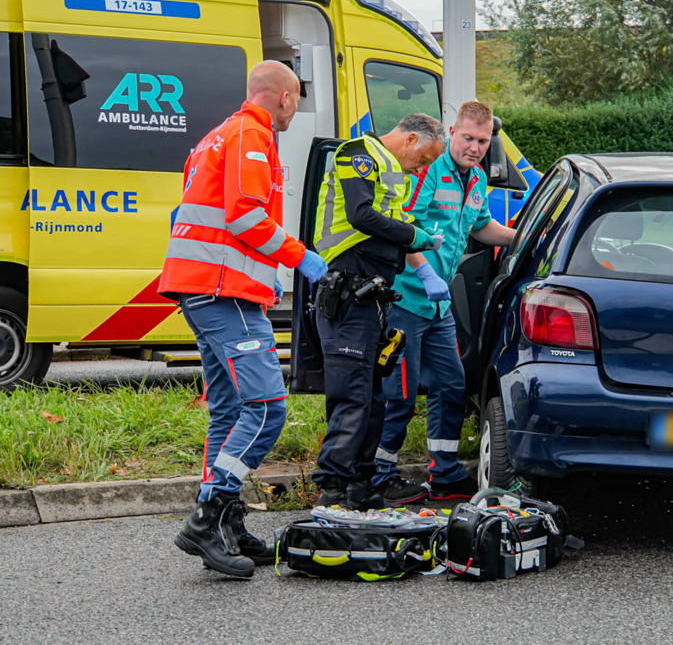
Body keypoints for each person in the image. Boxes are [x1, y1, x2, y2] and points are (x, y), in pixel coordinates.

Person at [159, 61, 328, 577]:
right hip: (222, 289)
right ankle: (208, 519)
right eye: (296, 100)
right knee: (267, 407)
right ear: (283, 97)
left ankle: (226, 525)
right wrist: (301, 258)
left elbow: (200, 214)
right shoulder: (252, 135)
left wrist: (265, 275)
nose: (294, 110)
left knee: (230, 412)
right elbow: (246, 217)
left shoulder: (217, 135)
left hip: (209, 287)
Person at [371, 101, 517, 505]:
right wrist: (424, 273)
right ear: (452, 133)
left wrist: (525, 238)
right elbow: (402, 226)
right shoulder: (429, 169)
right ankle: (380, 475)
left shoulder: (477, 179)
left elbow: (481, 227)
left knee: (452, 385)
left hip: (438, 307)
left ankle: (445, 473)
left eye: (483, 141)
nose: (475, 148)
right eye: (468, 138)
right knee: (400, 394)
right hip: (407, 300)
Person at [312, 113, 446, 509]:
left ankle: (360, 488)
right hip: (348, 289)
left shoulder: (395, 172)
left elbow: (393, 223)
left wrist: (420, 257)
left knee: (373, 400)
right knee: (352, 398)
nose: (421, 168)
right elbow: (361, 215)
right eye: (424, 159)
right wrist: (415, 236)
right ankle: (332, 491)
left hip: (371, 295)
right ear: (410, 140)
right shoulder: (358, 153)